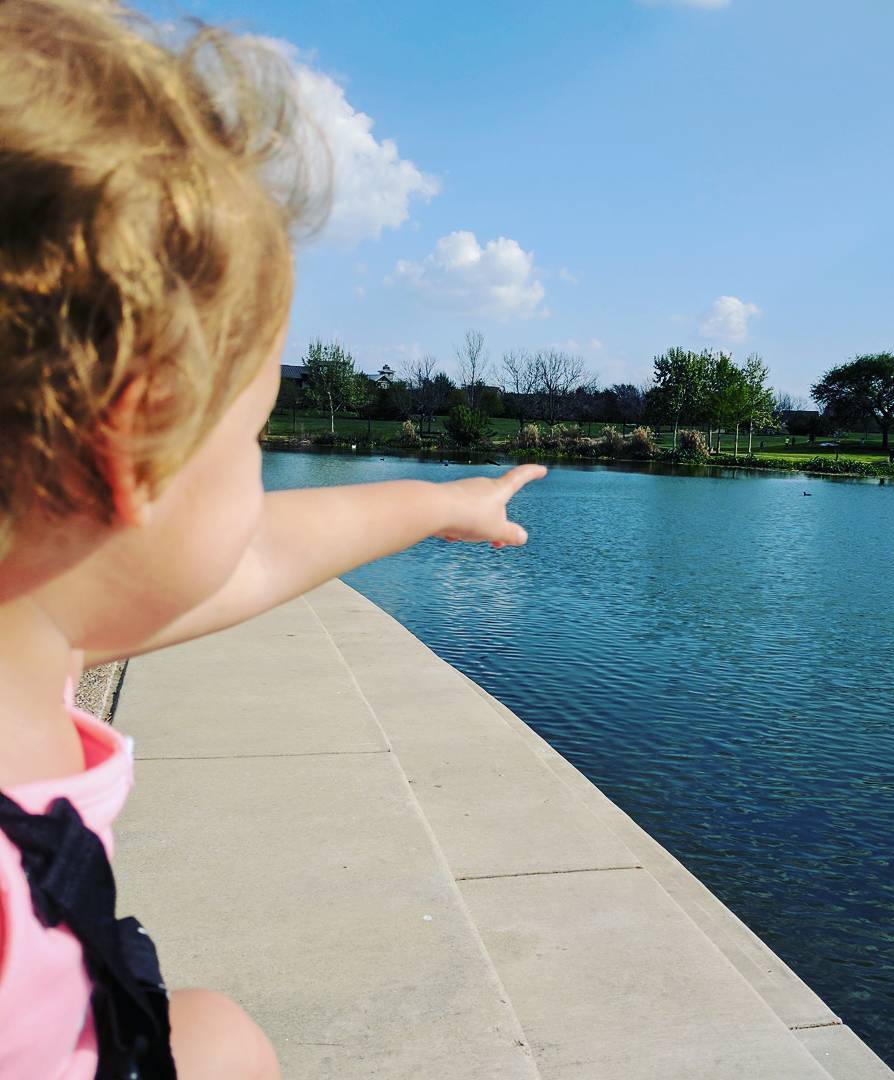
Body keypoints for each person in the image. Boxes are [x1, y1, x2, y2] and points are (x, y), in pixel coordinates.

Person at [0, 2, 546, 1076]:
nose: (260, 480)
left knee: (220, 1036)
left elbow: (256, 553)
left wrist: (440, 503)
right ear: (131, 453)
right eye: (251, 438)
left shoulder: (36, 628)